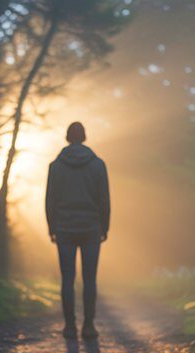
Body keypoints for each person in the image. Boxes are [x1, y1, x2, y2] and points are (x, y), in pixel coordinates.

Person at [45, 121, 110, 340]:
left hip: (64, 228)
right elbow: (104, 199)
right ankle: (89, 326)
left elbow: (50, 200)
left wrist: (52, 227)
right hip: (91, 227)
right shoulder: (98, 165)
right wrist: (105, 226)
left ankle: (70, 327)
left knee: (67, 279)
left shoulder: (56, 166)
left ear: (67, 137)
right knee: (90, 279)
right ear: (84, 136)